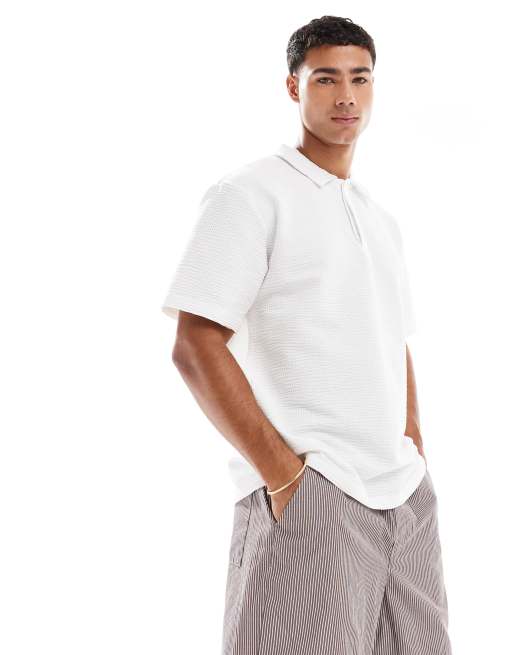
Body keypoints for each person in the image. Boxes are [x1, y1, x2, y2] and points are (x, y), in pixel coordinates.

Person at [161, 14, 452, 655]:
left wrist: (414, 449)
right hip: (314, 494)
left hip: (404, 500)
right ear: (294, 87)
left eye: (359, 78)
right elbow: (195, 344)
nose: (346, 95)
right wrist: (286, 478)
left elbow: (393, 341)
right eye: (326, 78)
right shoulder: (250, 194)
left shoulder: (380, 219)